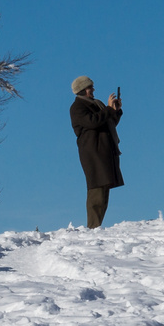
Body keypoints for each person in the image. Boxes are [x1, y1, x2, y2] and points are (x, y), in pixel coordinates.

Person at [70, 76, 123, 228]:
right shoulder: (77, 107)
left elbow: (108, 123)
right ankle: (93, 227)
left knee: (104, 189)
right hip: (93, 154)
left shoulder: (96, 104)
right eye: (90, 87)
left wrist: (115, 111)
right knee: (96, 189)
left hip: (104, 152)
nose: (93, 90)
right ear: (82, 90)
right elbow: (92, 122)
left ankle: (96, 226)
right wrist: (108, 109)